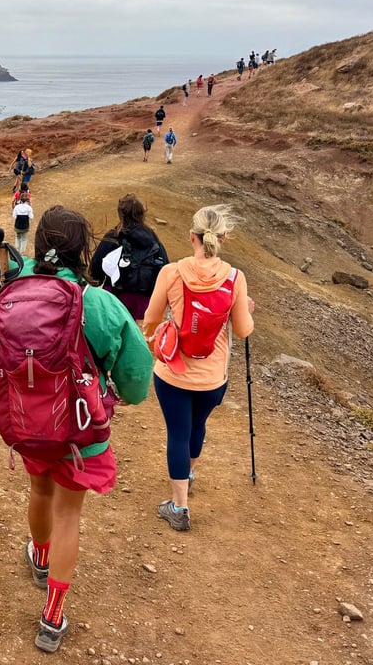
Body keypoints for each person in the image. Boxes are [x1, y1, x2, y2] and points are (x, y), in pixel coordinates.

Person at [0, 205, 153, 653]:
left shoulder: (15, 296)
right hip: (81, 428)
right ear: (85, 251)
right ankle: (53, 616)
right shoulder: (99, 303)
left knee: (39, 492)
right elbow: (137, 380)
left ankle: (39, 558)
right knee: (68, 513)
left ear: (39, 247)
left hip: (29, 420)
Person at [142, 204, 255, 531]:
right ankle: (187, 475)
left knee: (177, 432)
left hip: (173, 374)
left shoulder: (171, 273)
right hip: (212, 378)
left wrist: (158, 341)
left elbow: (150, 319)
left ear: (191, 236)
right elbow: (244, 330)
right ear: (224, 239)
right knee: (196, 426)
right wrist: (246, 309)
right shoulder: (235, 279)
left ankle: (179, 507)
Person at [90, 193, 169, 323]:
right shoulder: (153, 238)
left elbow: (96, 265)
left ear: (121, 214)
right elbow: (165, 266)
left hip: (115, 299)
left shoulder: (113, 236)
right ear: (142, 214)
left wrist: (97, 281)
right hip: (145, 304)